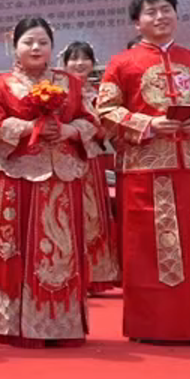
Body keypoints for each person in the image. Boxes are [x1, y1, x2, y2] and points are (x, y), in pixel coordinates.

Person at [93, 0, 190, 345]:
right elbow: (105, 111)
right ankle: (150, 326)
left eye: (166, 9)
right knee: (146, 249)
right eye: (151, 12)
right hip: (144, 170)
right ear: (137, 23)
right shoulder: (122, 63)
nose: (160, 17)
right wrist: (149, 124)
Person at [0, 18, 97, 347]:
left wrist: (70, 130)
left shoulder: (70, 83)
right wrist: (31, 128)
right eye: (28, 42)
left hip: (63, 177)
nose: (35, 48)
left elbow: (91, 120)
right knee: (13, 248)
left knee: (63, 251)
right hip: (19, 177)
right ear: (14, 45)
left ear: (52, 47)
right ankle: (12, 323)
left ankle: (61, 323)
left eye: (42, 42)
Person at [59, 40, 121, 292]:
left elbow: (109, 125)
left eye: (85, 58)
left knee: (93, 214)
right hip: (65, 158)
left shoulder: (101, 94)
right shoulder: (56, 91)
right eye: (73, 58)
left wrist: (103, 131)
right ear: (64, 64)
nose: (79, 63)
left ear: (93, 63)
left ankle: (95, 274)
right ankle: (68, 272)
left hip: (92, 158)